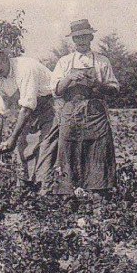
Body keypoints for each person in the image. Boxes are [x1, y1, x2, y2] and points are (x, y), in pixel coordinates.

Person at [46, 19, 119, 196]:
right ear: (73, 40)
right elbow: (56, 90)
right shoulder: (64, 62)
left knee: (98, 149)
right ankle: (68, 193)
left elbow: (114, 89)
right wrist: (69, 77)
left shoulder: (102, 61)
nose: (81, 41)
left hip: (95, 112)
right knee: (68, 147)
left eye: (85, 36)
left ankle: (98, 191)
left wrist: (98, 84)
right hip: (71, 110)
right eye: (77, 38)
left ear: (91, 37)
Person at [0, 43, 56, 190]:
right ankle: (27, 189)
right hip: (30, 111)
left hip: (51, 105)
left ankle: (46, 191)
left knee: (46, 147)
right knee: (24, 148)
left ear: (6, 58)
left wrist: (12, 138)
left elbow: (27, 106)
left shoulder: (24, 68)